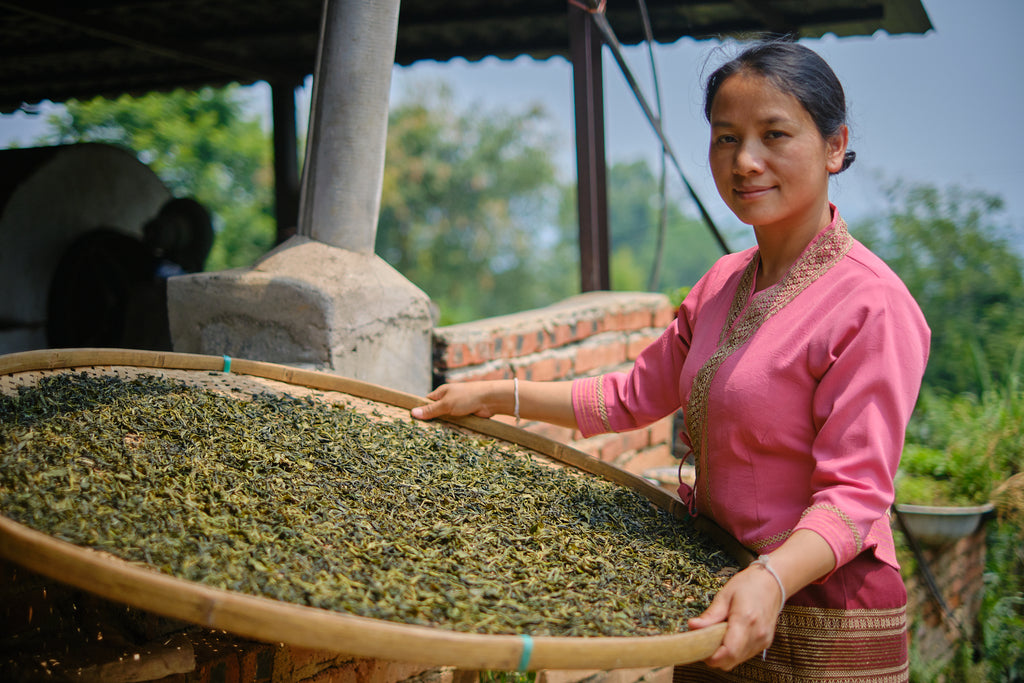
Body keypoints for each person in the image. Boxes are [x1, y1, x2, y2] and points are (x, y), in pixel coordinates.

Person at [412, 40, 929, 681]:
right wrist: (496, 395)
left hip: (822, 616)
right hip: (715, 592)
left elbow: (854, 498)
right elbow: (632, 395)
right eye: (725, 138)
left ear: (833, 145)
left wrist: (769, 578)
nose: (745, 162)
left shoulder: (871, 304)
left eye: (774, 135)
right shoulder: (722, 283)